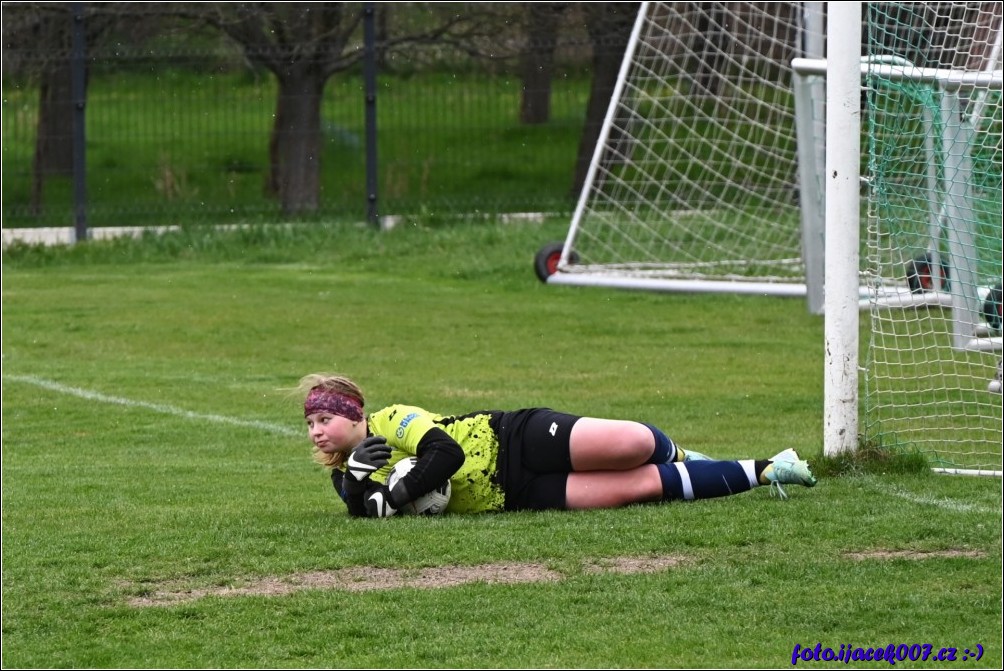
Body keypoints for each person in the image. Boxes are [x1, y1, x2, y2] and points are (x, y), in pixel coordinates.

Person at [298, 373, 817, 518]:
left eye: (325, 418)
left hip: (513, 438)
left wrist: (385, 497)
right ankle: (767, 470)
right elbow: (357, 508)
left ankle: (683, 454)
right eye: (311, 424)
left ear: (357, 413)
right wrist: (362, 484)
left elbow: (447, 455)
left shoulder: (393, 420)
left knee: (632, 442)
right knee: (632, 490)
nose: (317, 431)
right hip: (516, 496)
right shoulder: (349, 473)